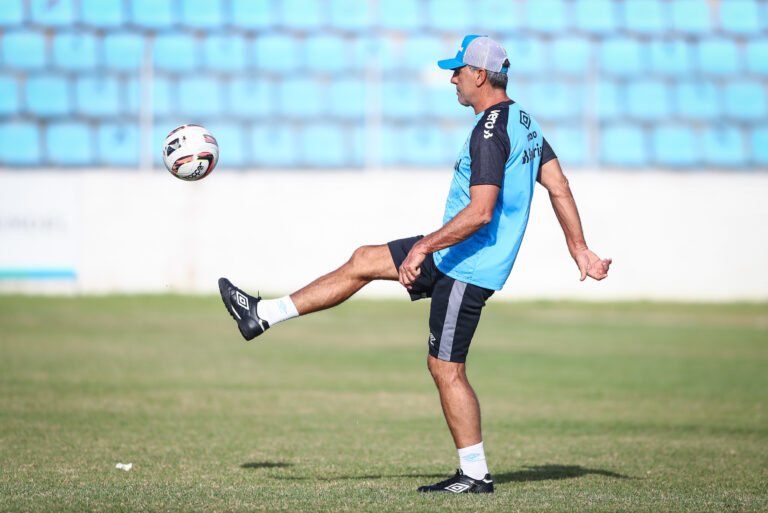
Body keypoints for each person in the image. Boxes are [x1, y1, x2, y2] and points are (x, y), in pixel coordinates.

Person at [218, 34, 612, 494]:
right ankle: (262, 315)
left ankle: (474, 475)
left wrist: (424, 248)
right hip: (455, 251)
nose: (453, 78)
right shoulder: (525, 121)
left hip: (467, 265)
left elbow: (482, 210)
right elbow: (558, 185)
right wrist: (579, 248)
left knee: (446, 368)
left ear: (479, 75)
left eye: (458, 71)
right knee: (364, 260)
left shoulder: (489, 130)